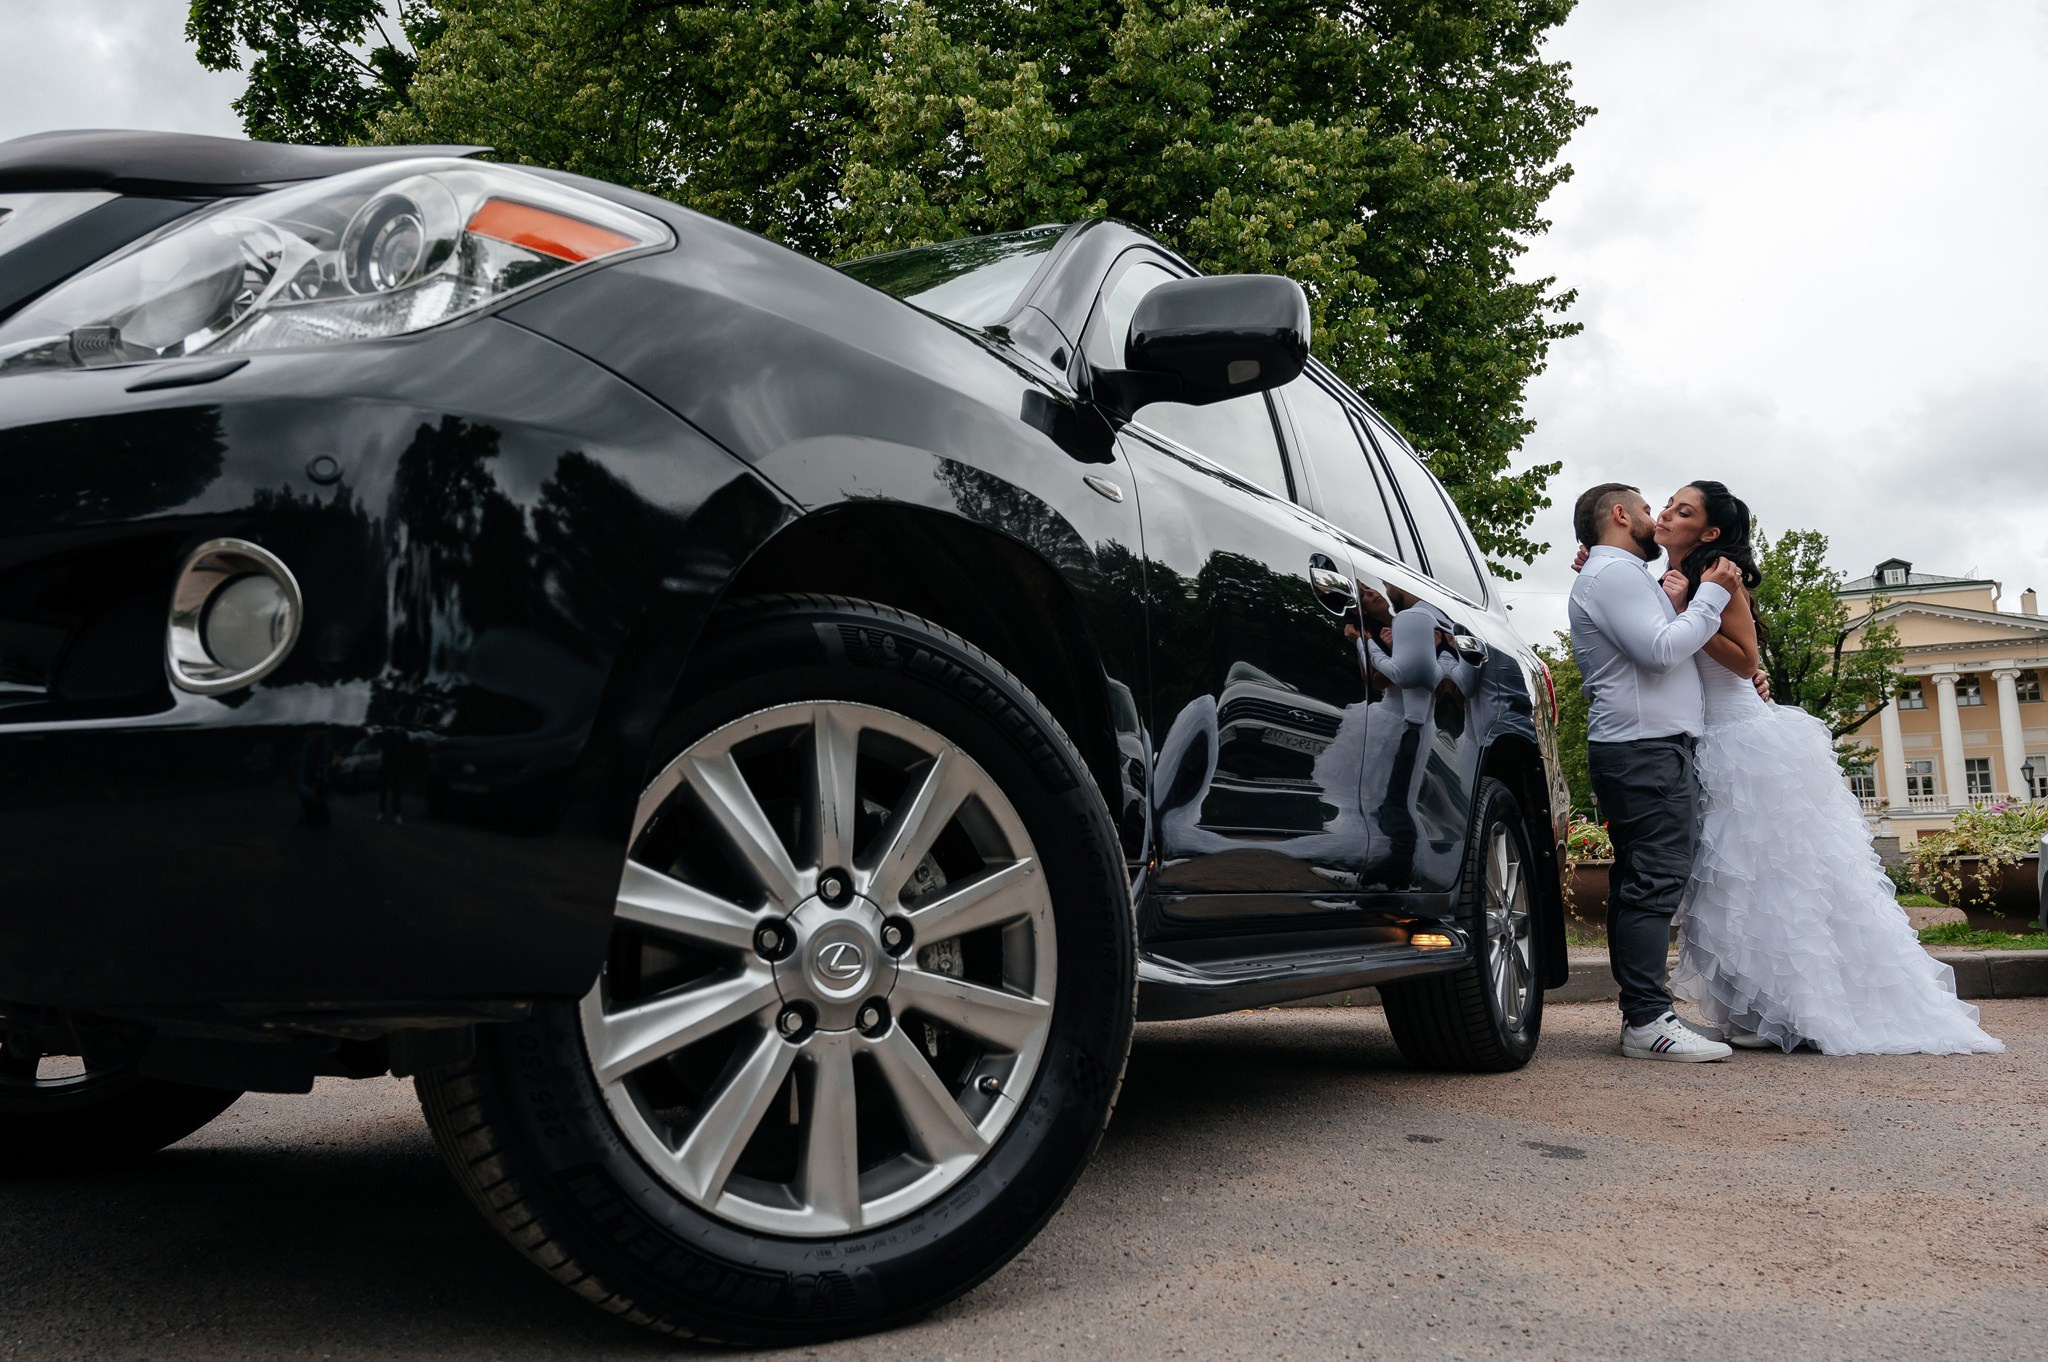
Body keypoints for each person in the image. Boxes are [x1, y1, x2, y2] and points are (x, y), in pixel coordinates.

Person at [1645, 481, 2002, 1055]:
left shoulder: (1718, 577)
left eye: (1681, 511)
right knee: (1729, 883)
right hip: (1706, 739)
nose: (1665, 513)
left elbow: (1745, 660)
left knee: (1770, 879)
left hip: (1741, 744)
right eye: (1667, 504)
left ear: (1709, 532)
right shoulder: (1671, 574)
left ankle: (1796, 1010)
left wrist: (1689, 608)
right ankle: (1758, 1009)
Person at [1568, 482, 1745, 1061]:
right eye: (1648, 509)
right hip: (1645, 749)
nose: (1657, 517)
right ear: (1621, 515)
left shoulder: (1617, 573)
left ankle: (1646, 1015)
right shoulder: (1614, 574)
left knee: (1641, 883)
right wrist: (1712, 596)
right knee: (1653, 883)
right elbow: (1662, 651)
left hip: (1645, 747)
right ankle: (1648, 1022)